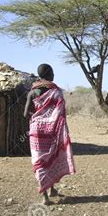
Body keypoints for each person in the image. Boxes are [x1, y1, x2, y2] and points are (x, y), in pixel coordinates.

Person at [24, 64, 75, 205]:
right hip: (52, 130)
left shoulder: (32, 92)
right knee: (51, 157)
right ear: (50, 74)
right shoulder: (56, 92)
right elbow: (60, 113)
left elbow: (25, 113)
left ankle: (47, 194)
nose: (54, 75)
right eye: (52, 72)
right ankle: (47, 193)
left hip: (37, 131)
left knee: (39, 161)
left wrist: (38, 117)